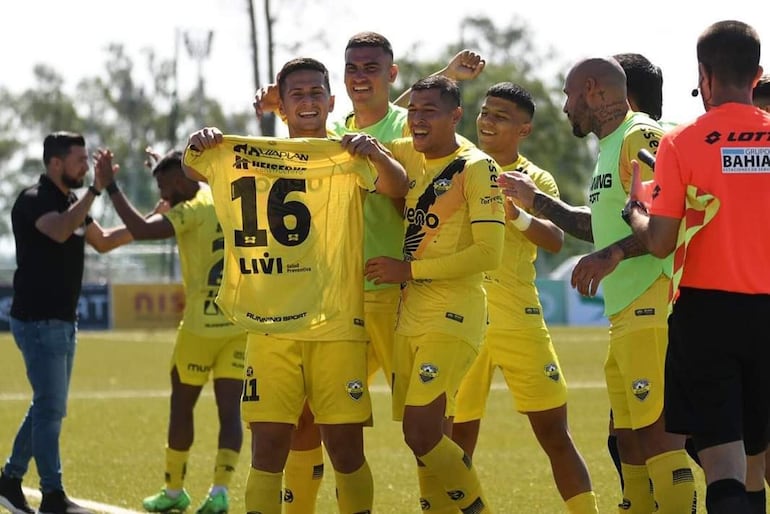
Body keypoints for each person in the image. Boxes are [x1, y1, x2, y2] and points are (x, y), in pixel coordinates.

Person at [253, 33, 484, 514]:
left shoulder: (415, 124)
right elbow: (306, 134)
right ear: (341, 80)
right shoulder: (336, 127)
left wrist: (449, 77)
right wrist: (280, 108)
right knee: (310, 419)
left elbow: (434, 179)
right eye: (353, 68)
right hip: (338, 299)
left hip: (402, 295)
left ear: (392, 73)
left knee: (425, 429)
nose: (362, 76)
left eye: (372, 68)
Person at [183, 57, 408, 514]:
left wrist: (376, 152)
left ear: (330, 101)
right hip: (270, 325)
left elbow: (397, 185)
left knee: (346, 450)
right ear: (280, 107)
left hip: (337, 322)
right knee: (267, 448)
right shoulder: (250, 151)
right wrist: (198, 142)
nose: (307, 101)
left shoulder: (347, 153)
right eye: (296, 95)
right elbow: (194, 169)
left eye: (315, 94)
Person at [501, 57, 696, 514]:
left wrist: (612, 255)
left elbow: (671, 220)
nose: (566, 107)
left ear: (592, 89)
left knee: (659, 437)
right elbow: (604, 227)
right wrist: (540, 204)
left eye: (569, 96)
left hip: (653, 303)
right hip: (625, 311)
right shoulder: (610, 146)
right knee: (628, 442)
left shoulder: (639, 134)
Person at [625, 20, 770, 514]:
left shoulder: (681, 143)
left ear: (704, 76)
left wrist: (638, 214)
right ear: (758, 74)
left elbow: (661, 243)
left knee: (724, 464)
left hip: (707, 314)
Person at [450, 82, 598, 514]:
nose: (487, 121)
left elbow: (554, 239)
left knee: (555, 433)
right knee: (457, 440)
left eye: (501, 116)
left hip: (519, 317)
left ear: (525, 130)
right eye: (485, 112)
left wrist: (516, 212)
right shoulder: (453, 164)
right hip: (463, 318)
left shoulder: (534, 178)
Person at [365, 75, 504, 513]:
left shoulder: (477, 167)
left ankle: (478, 509)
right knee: (430, 437)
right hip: (411, 316)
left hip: (454, 314)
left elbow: (488, 254)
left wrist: (409, 269)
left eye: (430, 111)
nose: (418, 119)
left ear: (456, 116)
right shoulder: (407, 152)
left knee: (420, 432)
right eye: (414, 111)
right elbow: (362, 142)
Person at [92, 148, 248, 514]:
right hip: (237, 326)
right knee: (230, 414)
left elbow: (143, 230)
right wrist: (166, 165)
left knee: (181, 409)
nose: (162, 196)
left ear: (181, 181)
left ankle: (174, 490)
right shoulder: (219, 196)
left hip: (199, 329)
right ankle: (220, 492)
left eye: (165, 186)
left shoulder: (188, 211)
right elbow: (186, 178)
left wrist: (112, 187)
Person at [0, 132, 132, 514]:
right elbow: (59, 230)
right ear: (55, 164)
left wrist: (156, 220)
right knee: (51, 408)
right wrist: (95, 189)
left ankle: (9, 479)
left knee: (47, 407)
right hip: (38, 322)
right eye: (80, 160)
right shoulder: (33, 200)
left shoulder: (72, 201)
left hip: (62, 321)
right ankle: (52, 496)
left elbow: (103, 240)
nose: (86, 166)